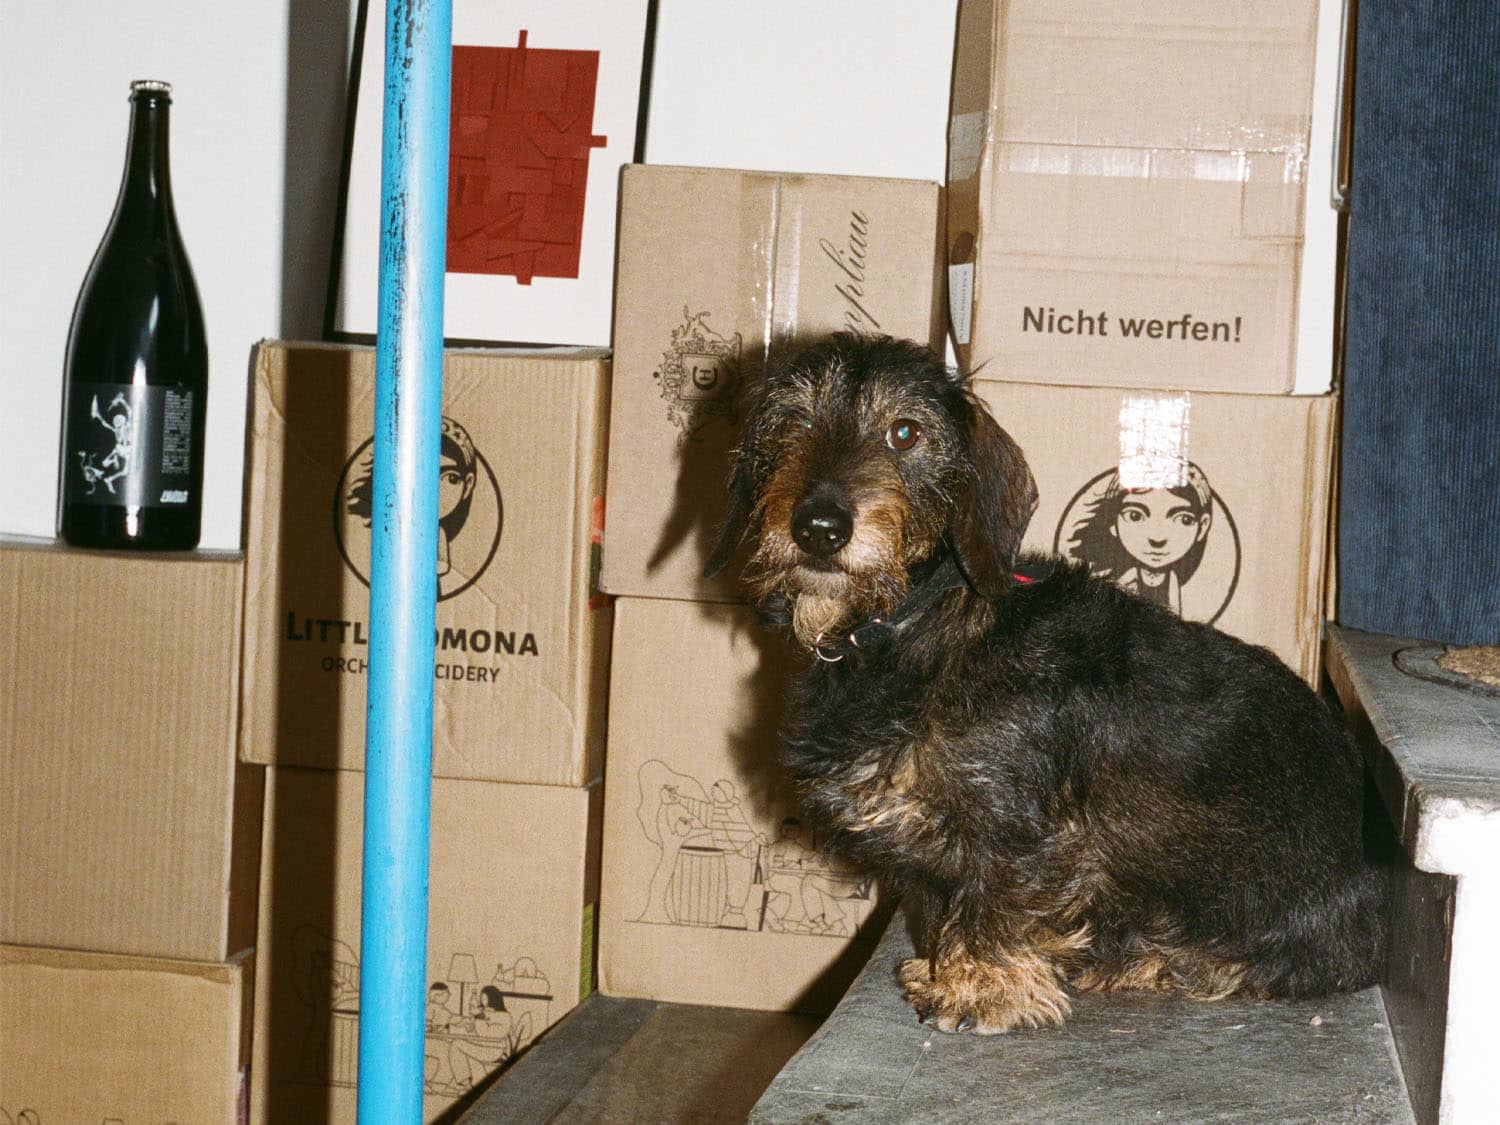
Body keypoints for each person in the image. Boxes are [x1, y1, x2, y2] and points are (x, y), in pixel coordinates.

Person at [1064, 464, 1214, 615]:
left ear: (1203, 526)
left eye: (1184, 519)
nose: (1157, 538)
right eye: (1135, 516)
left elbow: (1175, 612)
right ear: (1112, 522)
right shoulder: (1131, 574)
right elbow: (1115, 602)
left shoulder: (1171, 579)